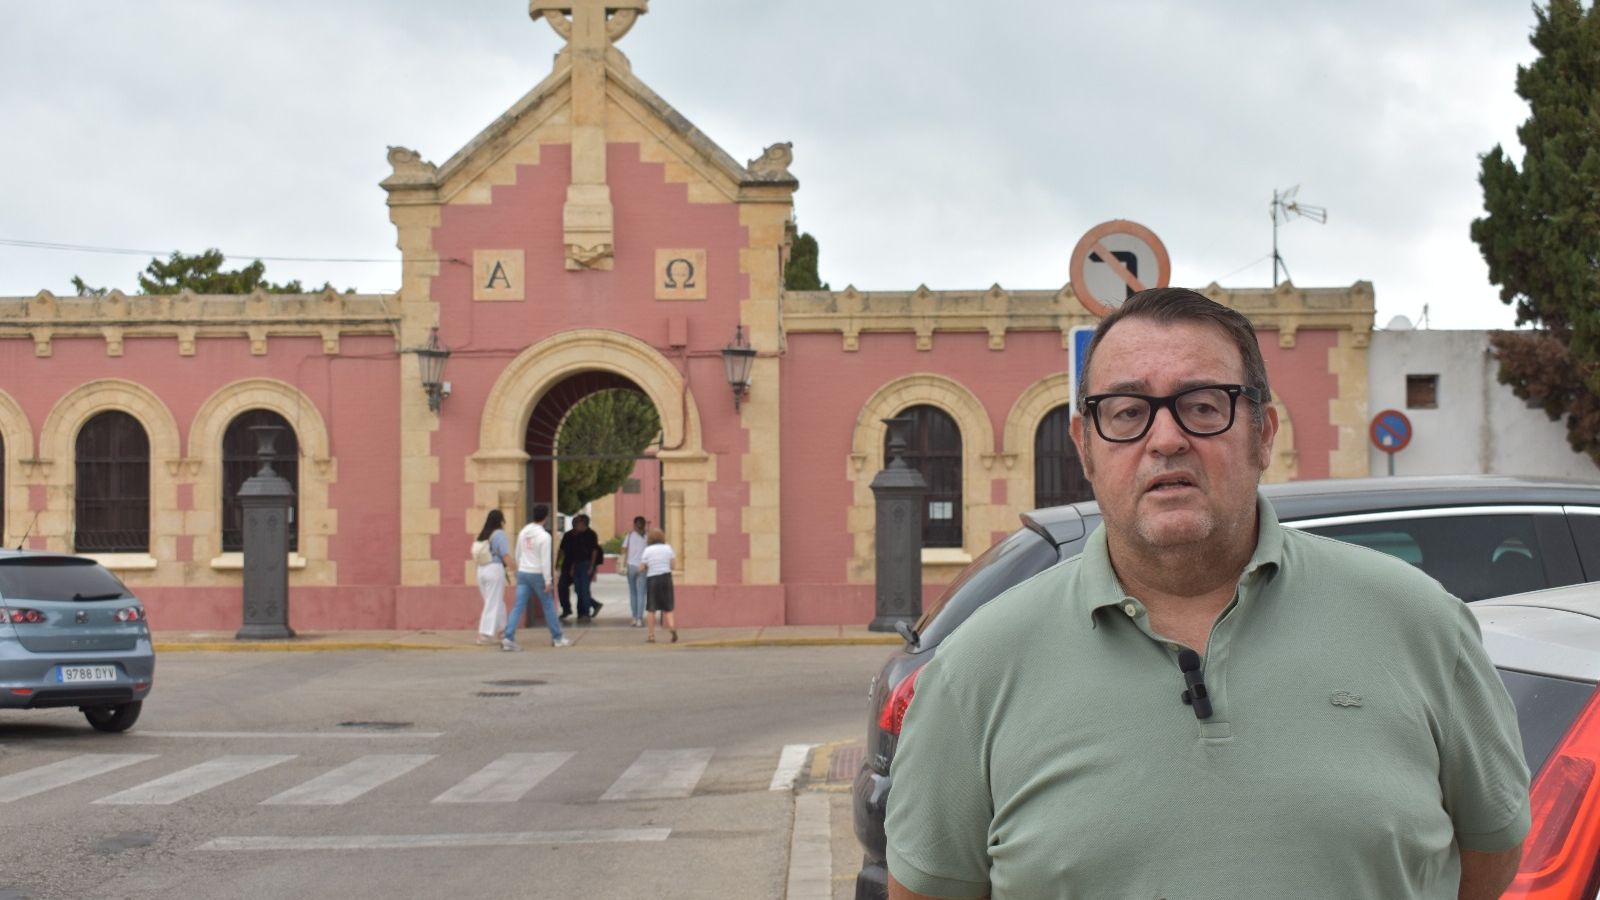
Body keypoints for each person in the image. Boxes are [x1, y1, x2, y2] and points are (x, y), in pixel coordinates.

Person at [885, 288, 1529, 900]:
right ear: (1085, 446)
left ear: (1263, 434)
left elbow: (1489, 855)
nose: (1166, 439)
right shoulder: (974, 671)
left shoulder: (1420, 623)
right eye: (1128, 412)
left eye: (1202, 405)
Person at [503, 503, 571, 651]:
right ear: (546, 517)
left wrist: (519, 569)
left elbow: (517, 553)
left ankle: (508, 637)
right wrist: (548, 580)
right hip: (538, 574)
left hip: (523, 572)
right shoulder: (544, 537)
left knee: (518, 606)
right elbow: (545, 560)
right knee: (548, 605)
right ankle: (557, 637)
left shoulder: (523, 532)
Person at [471, 509, 512, 645]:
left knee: (495, 601)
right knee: (492, 602)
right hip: (494, 569)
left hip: (481, 570)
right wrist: (515, 570)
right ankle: (484, 634)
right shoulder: (499, 534)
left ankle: (502, 630)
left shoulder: (483, 534)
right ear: (501, 520)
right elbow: (505, 555)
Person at [556, 513, 605, 623]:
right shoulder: (569, 535)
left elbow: (594, 551)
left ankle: (584, 613)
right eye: (575, 522)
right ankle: (569, 609)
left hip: (585, 565)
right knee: (568, 587)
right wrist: (559, 564)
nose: (575, 523)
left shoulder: (591, 534)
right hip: (570, 566)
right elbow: (564, 551)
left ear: (583, 523)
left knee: (583, 589)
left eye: (577, 522)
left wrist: (592, 567)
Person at [640, 528, 676, 644]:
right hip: (666, 578)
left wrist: (645, 567)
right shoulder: (668, 548)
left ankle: (651, 635)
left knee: (652, 608)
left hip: (653, 579)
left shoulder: (648, 550)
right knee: (668, 607)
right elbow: (673, 565)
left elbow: (641, 568)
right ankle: (671, 627)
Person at [619, 516, 650, 627]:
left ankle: (634, 617)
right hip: (643, 566)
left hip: (631, 565)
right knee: (641, 592)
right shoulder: (648, 537)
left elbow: (623, 549)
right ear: (644, 525)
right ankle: (639, 619)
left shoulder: (630, 535)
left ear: (634, 524)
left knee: (633, 592)